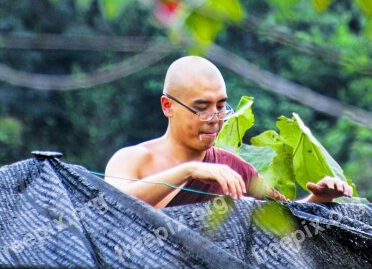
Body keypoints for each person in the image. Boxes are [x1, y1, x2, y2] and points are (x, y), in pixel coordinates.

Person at [105, 56, 353, 208]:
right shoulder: (133, 160)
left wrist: (319, 199)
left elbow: (284, 221)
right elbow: (110, 206)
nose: (215, 119)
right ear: (168, 106)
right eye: (202, 108)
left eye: (221, 107)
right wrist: (188, 170)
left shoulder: (234, 169)